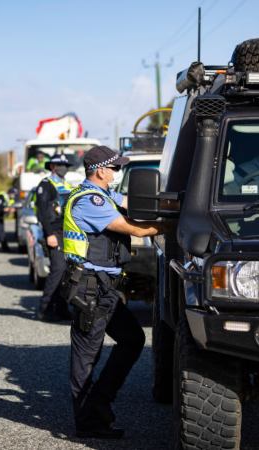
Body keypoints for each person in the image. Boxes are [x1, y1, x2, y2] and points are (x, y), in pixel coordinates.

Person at [62, 145, 168, 438]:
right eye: (115, 168)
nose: (116, 173)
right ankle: (88, 421)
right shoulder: (89, 200)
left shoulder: (104, 196)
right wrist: (165, 227)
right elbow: (131, 228)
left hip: (104, 288)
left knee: (133, 339)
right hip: (90, 288)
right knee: (87, 356)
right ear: (100, 170)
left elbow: (131, 201)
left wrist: (173, 205)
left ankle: (99, 403)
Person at [35, 154, 74, 322]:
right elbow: (42, 212)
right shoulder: (46, 185)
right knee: (57, 270)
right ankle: (44, 310)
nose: (63, 167)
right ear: (52, 166)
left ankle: (61, 309)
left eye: (65, 164)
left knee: (66, 272)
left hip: (66, 232)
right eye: (59, 164)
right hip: (54, 233)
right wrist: (49, 233)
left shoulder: (66, 185)